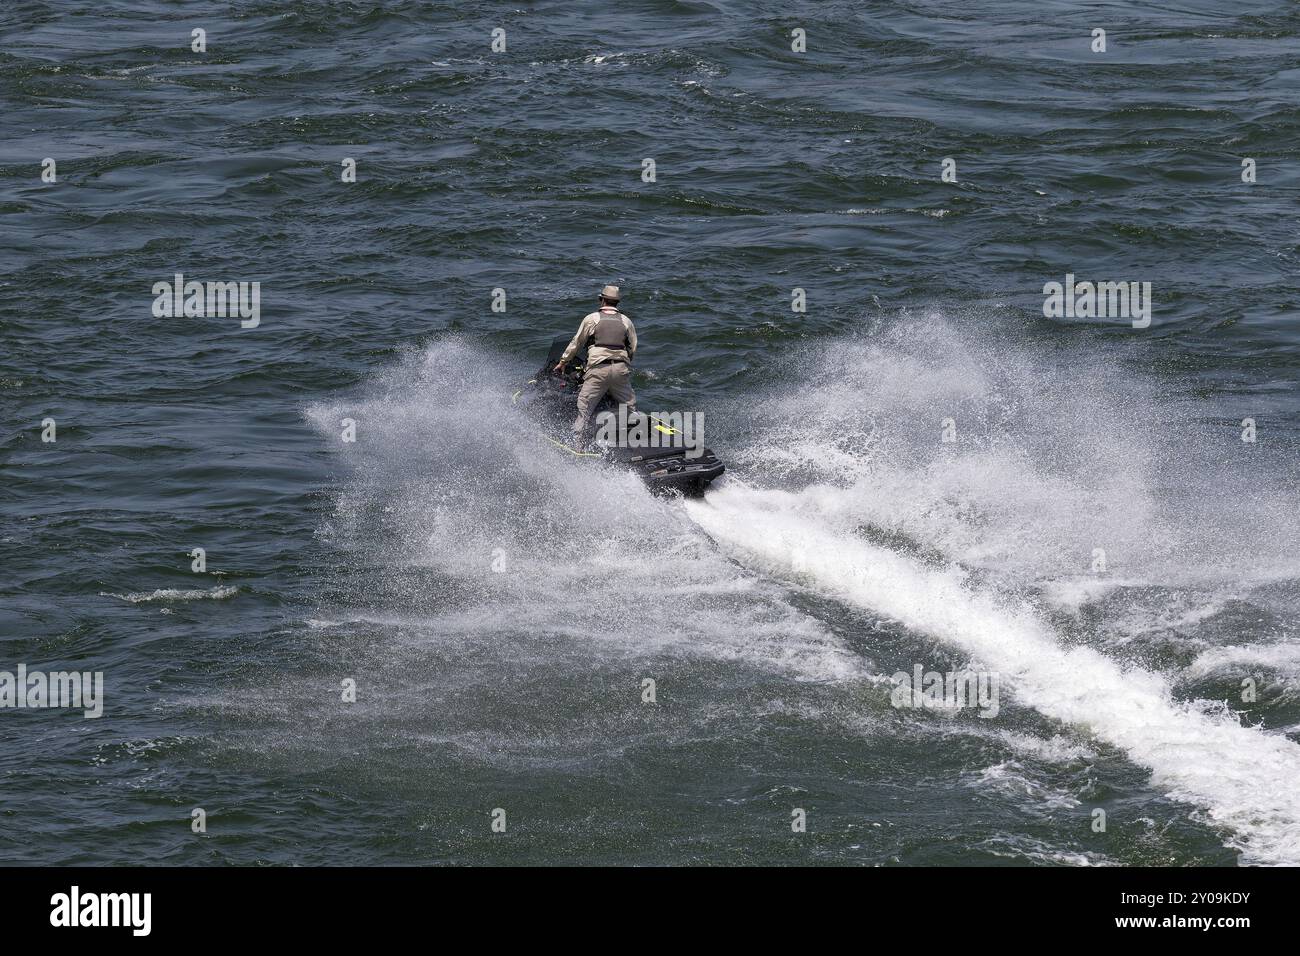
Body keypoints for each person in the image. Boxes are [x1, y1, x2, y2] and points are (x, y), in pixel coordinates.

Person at [553, 284, 637, 438]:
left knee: (584, 408)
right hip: (620, 369)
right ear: (617, 302)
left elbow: (576, 343)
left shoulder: (592, 319)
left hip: (598, 370)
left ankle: (577, 444)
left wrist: (563, 362)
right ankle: (634, 439)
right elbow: (632, 348)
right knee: (629, 408)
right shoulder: (626, 321)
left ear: (602, 300)